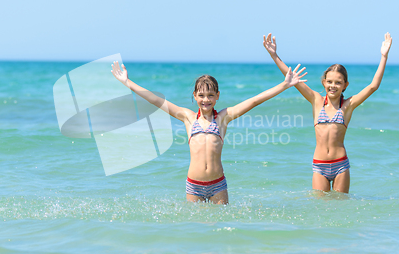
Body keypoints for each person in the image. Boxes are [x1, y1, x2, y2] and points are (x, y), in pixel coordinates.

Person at [111, 61, 307, 204]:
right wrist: (127, 82)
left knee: (221, 232)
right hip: (193, 185)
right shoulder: (188, 117)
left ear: (217, 96)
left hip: (218, 185)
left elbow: (254, 101)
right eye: (202, 95)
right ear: (195, 96)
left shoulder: (223, 118)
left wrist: (284, 85)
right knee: (195, 232)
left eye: (210, 95)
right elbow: (155, 100)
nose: (206, 99)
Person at [263, 33, 392, 193]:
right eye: (329, 82)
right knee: (320, 208)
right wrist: (274, 55)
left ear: (345, 85)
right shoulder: (316, 100)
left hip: (341, 165)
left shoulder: (348, 105)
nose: (333, 86)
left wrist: (384, 56)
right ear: (324, 82)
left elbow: (373, 86)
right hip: (319, 165)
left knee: (340, 208)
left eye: (338, 83)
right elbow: (292, 79)